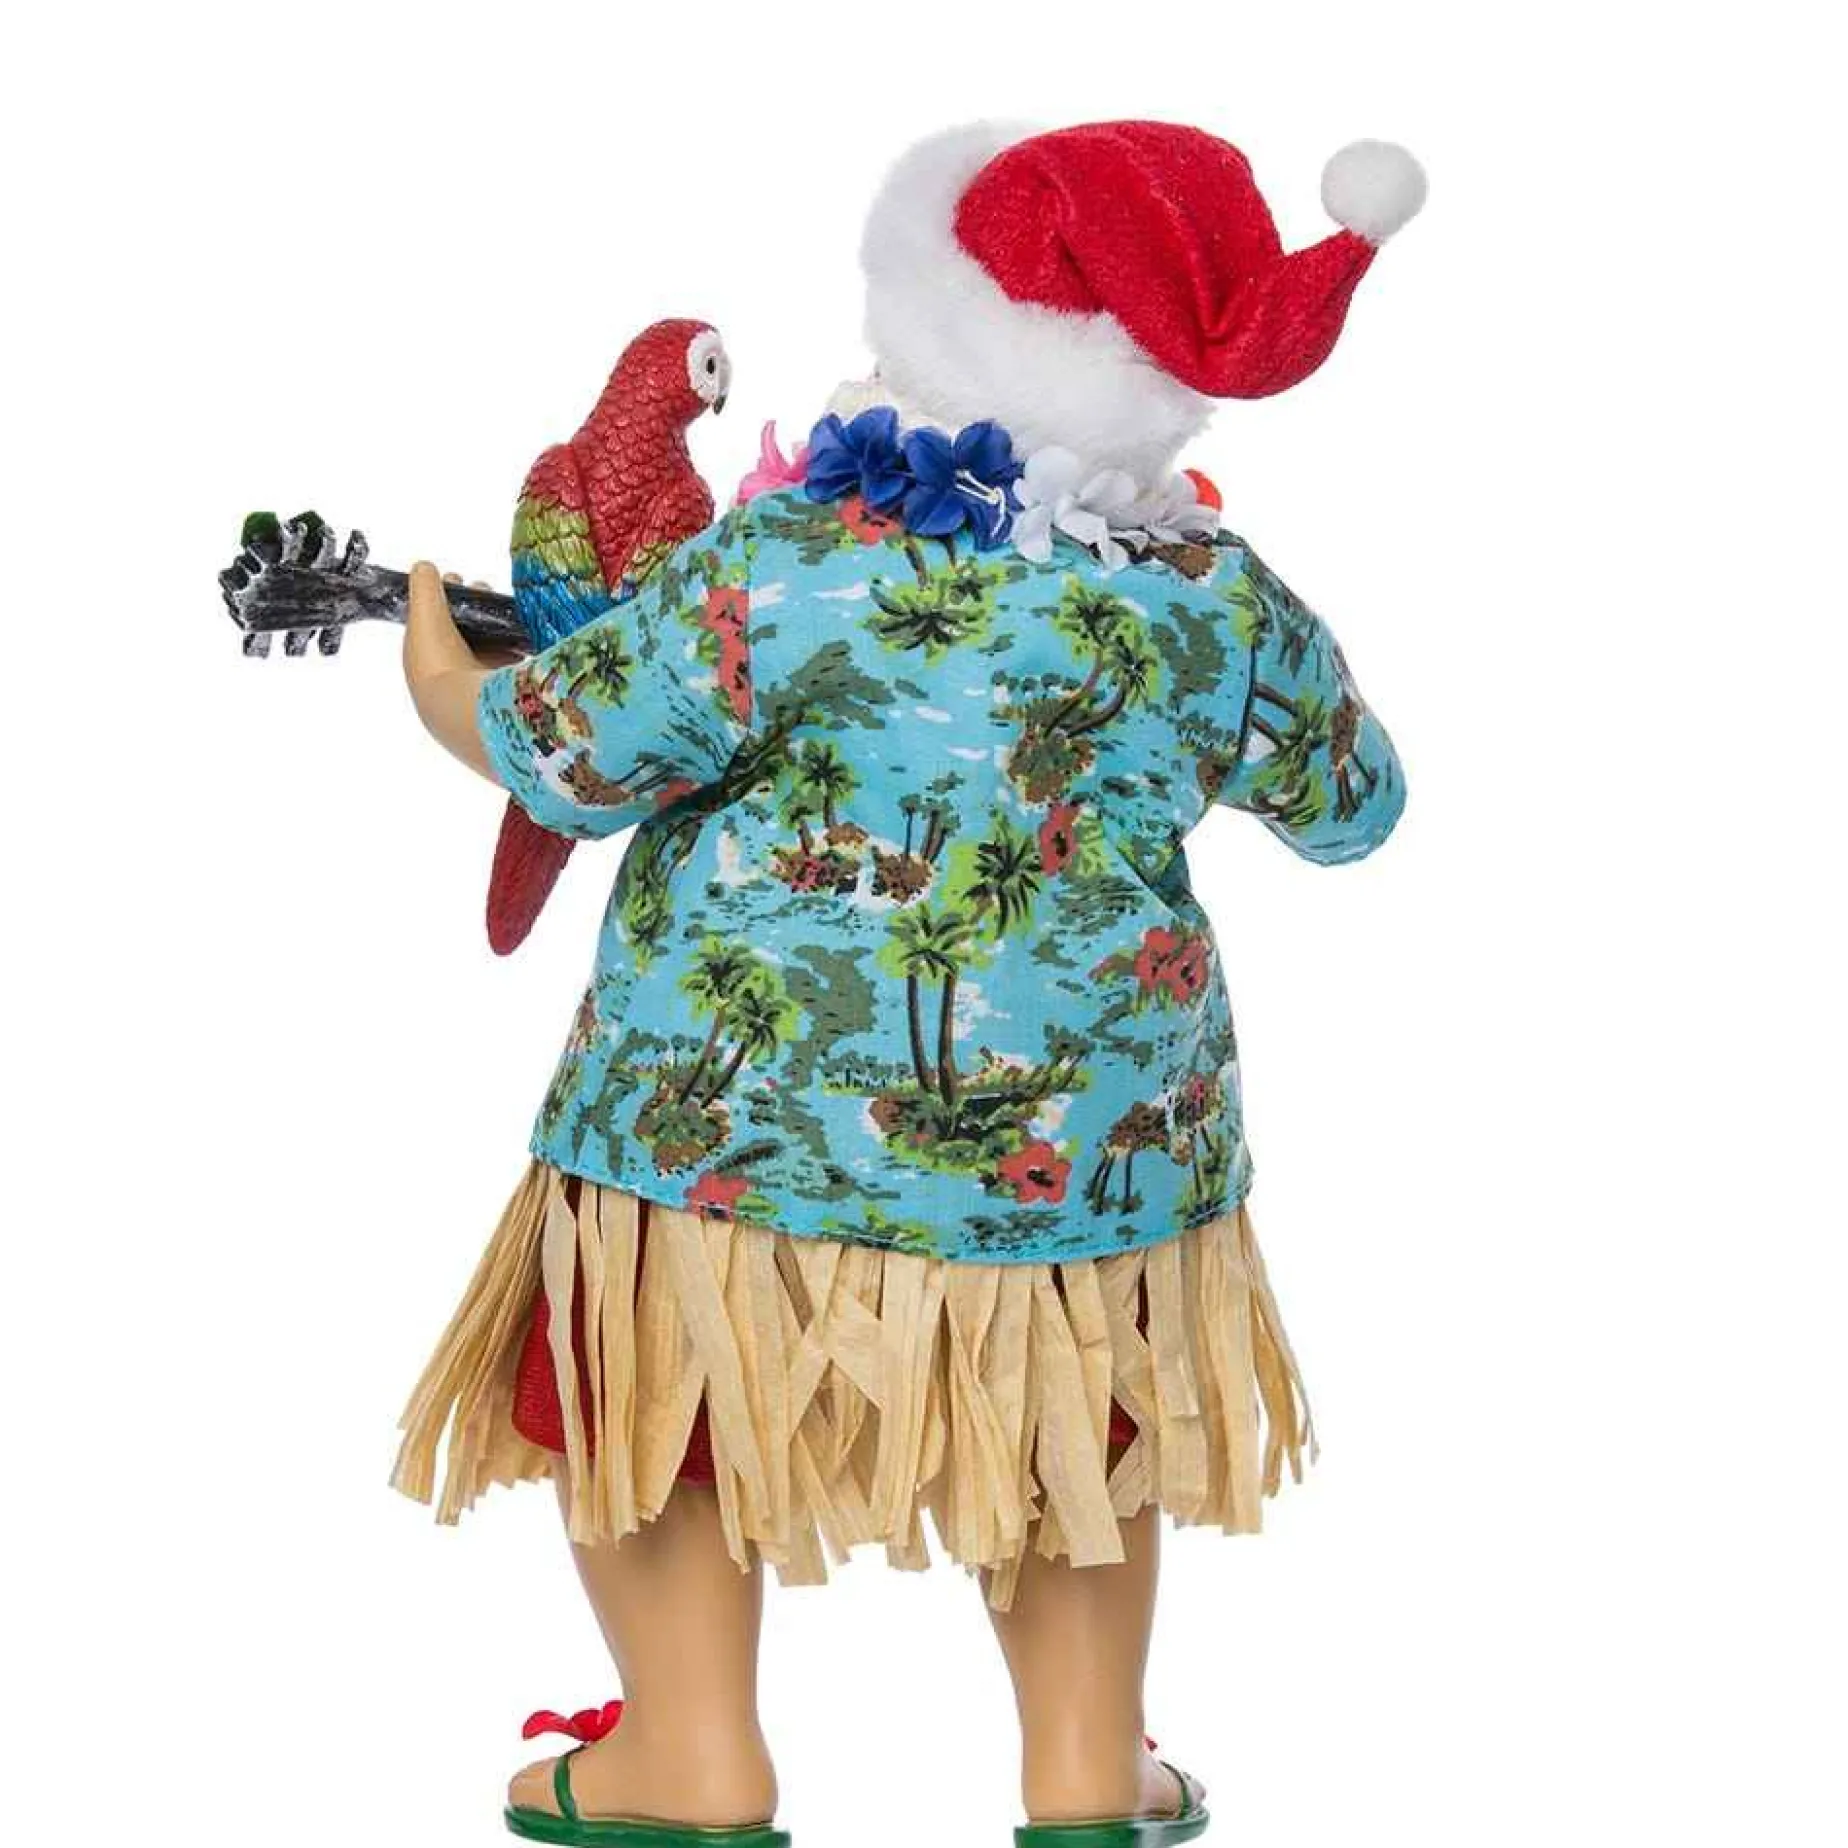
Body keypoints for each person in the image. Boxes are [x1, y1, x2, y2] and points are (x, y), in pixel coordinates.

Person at [395, 119, 1423, 1848]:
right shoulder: (1210, 597)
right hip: (1084, 1162)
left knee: (664, 1414)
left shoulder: (780, 559)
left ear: (935, 313)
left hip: (717, 1135)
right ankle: (1085, 1772)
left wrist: (438, 667)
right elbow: (1358, 810)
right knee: (1079, 1441)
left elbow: (562, 755)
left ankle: (689, 1755)